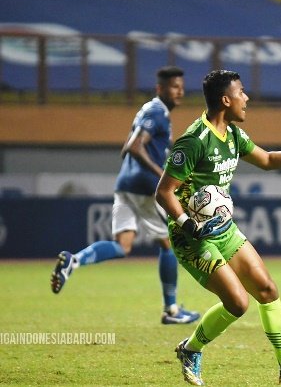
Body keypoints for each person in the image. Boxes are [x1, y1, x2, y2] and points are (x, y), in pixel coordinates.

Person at [155, 69, 281, 385]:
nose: (247, 98)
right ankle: (190, 349)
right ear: (226, 99)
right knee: (238, 303)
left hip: (223, 229)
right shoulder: (194, 140)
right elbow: (164, 192)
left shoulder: (234, 136)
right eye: (242, 92)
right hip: (192, 237)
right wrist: (188, 225)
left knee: (267, 289)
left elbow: (267, 160)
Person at [51, 66, 200, 325]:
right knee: (169, 244)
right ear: (160, 88)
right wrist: (161, 173)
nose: (180, 92)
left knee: (123, 246)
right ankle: (172, 311)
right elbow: (133, 146)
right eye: (175, 87)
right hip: (144, 187)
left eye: (182, 87)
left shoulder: (147, 110)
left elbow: (127, 147)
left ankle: (73, 261)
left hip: (125, 184)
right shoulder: (157, 112)